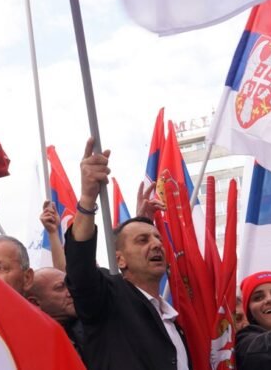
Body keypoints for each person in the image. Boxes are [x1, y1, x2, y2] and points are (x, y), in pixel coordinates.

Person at [65, 137, 187, 370]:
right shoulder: (107, 300)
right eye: (143, 240)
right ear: (119, 258)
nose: (156, 245)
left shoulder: (171, 320)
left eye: (157, 238)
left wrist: (142, 223)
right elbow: (80, 266)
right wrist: (88, 198)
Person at [27, 267, 84, 358]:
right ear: (35, 303)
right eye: (60, 288)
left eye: (69, 285)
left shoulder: (91, 327)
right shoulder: (32, 347)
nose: (70, 293)